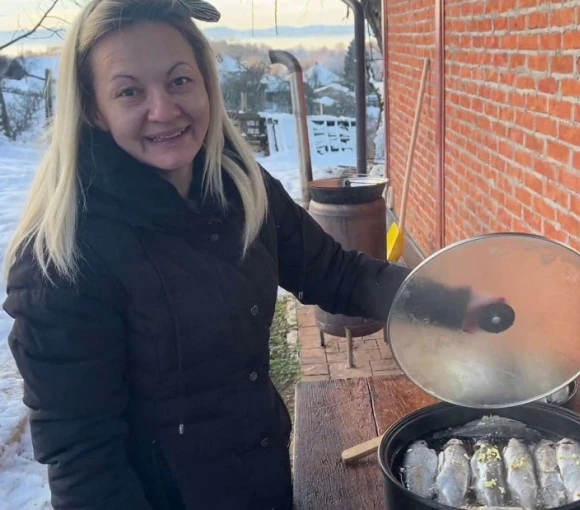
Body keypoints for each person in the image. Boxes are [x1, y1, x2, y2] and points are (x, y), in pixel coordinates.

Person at [2, 1, 503, 509]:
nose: (164, 109)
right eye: (129, 91)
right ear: (93, 108)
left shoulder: (239, 185)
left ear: (205, 83)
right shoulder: (61, 256)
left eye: (179, 81)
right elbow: (83, 459)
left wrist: (443, 303)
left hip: (263, 480)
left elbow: (334, 271)